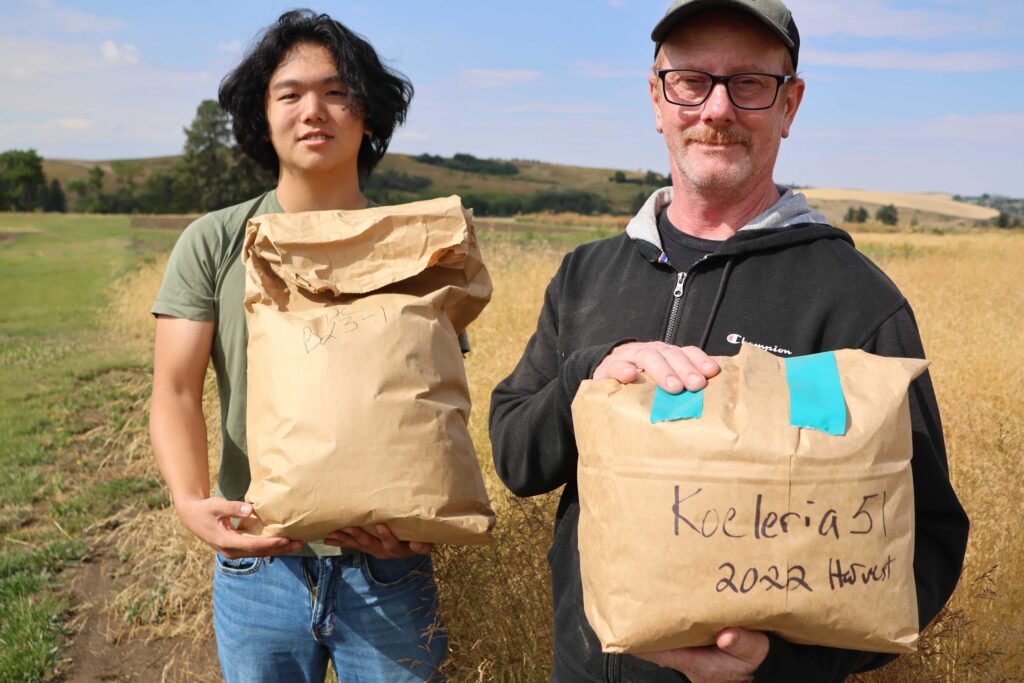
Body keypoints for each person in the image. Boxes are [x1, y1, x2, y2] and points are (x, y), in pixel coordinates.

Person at [488, 1, 969, 681]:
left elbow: (929, 543)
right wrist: (590, 374)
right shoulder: (587, 275)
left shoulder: (856, 300)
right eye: (691, 81)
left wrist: (778, 662)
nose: (716, 109)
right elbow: (514, 457)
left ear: (790, 105)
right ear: (657, 98)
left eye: (748, 83)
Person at [149, 10, 446, 682]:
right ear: (263, 116)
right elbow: (173, 388)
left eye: (338, 92)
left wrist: (429, 516)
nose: (314, 110)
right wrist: (191, 501)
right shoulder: (215, 241)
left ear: (369, 114)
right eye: (290, 93)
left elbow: (429, 404)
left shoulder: (415, 248)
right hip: (258, 566)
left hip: (388, 569)